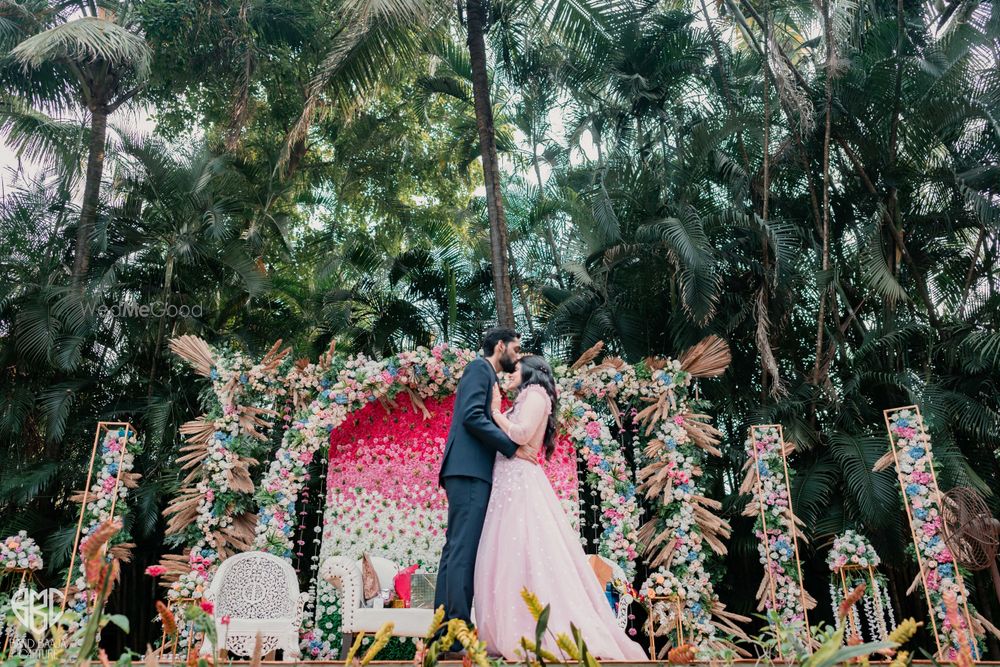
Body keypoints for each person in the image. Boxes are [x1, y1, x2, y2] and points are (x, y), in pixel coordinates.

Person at [474, 355, 647, 661]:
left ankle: (540, 633)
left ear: (530, 370)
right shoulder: (526, 396)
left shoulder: (536, 395)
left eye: (514, 369)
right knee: (509, 557)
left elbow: (521, 434)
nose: (509, 373)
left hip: (520, 485)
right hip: (507, 483)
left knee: (527, 552)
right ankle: (512, 629)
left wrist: (496, 413)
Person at [434, 327, 538, 657]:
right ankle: (457, 631)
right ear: (500, 346)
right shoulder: (479, 369)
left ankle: (444, 632)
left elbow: (481, 417)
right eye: (515, 348)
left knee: (455, 550)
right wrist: (512, 448)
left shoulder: (488, 377)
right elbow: (470, 417)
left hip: (468, 471)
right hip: (468, 470)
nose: (517, 355)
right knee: (463, 551)